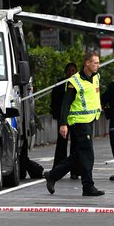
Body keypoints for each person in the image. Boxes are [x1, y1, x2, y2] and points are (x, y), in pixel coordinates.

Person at [44, 51, 105, 196]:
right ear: (87, 63)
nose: (98, 65)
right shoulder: (74, 81)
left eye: (98, 62)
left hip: (90, 120)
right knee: (87, 154)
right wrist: (63, 124)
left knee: (80, 154)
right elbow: (66, 104)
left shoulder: (96, 77)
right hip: (78, 122)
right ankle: (88, 186)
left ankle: (52, 175)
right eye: (95, 62)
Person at [51, 62, 79, 179]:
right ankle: (58, 169)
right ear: (65, 72)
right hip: (63, 119)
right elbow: (55, 102)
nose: (71, 73)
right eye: (69, 71)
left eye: (73, 71)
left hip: (76, 118)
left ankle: (75, 171)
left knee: (76, 144)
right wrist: (58, 116)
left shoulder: (79, 84)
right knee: (62, 144)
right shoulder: (60, 85)